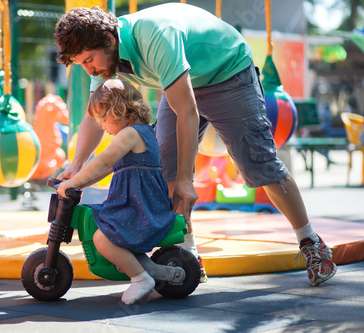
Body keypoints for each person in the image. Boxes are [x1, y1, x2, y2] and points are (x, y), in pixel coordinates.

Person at [55, 3, 337, 286]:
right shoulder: (99, 53)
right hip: (182, 81)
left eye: (89, 60)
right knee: (162, 170)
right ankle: (187, 255)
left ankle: (310, 242)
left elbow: (187, 111)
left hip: (227, 72)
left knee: (258, 164)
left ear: (108, 39)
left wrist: (187, 180)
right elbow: (95, 116)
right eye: (83, 64)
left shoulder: (154, 35)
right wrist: (75, 166)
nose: (89, 68)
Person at [57, 79, 176, 304]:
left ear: (119, 110)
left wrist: (72, 181)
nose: (101, 126)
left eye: (103, 119)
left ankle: (141, 278)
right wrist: (79, 184)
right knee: (97, 219)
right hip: (138, 204)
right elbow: (110, 169)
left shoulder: (130, 134)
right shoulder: (142, 131)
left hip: (141, 208)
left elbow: (103, 161)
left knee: (102, 239)